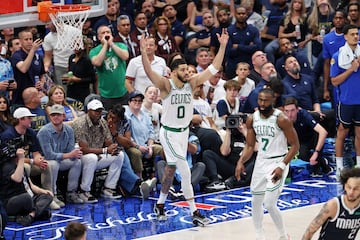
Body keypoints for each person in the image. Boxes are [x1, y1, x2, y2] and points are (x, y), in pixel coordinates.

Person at [140, 28, 228, 226]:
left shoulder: (192, 82)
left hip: (183, 133)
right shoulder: (165, 85)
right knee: (185, 171)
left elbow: (214, 68)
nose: (188, 72)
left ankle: (160, 204)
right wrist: (144, 52)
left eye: (188, 69)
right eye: (183, 70)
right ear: (173, 71)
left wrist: (222, 46)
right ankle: (194, 212)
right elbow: (148, 71)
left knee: (171, 170)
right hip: (169, 134)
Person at [235, 88, 300, 240]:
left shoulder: (282, 119)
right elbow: (250, 146)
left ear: (273, 101)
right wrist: (240, 161)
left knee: (269, 203)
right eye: (260, 100)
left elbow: (295, 145)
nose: (262, 103)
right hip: (261, 161)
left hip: (278, 161)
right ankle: (259, 235)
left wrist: (282, 166)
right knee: (256, 201)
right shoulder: (252, 118)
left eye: (265, 100)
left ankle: (284, 235)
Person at [0, 107, 55, 209]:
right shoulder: (7, 135)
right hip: (16, 166)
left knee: (48, 165)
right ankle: (30, 201)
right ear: (21, 119)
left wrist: (39, 160)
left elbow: (36, 152)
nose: (31, 120)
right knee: (26, 167)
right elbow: (12, 159)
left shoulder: (30, 132)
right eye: (29, 118)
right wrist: (32, 161)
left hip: (28, 162)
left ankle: (51, 195)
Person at [71, 99, 124, 203]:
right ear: (88, 111)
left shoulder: (102, 122)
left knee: (119, 155)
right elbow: (84, 149)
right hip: (80, 156)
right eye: (95, 111)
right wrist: (104, 150)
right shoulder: (80, 123)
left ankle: (108, 188)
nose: (98, 114)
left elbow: (108, 141)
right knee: (91, 157)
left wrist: (113, 148)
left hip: (98, 154)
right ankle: (83, 191)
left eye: (100, 111)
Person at [37, 104, 84, 206]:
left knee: (77, 161)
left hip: (60, 159)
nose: (55, 117)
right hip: (44, 161)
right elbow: (48, 155)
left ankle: (71, 192)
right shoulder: (44, 132)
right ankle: (52, 195)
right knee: (53, 164)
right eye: (53, 115)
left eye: (58, 115)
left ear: (64, 116)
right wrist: (70, 154)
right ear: (50, 117)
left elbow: (70, 149)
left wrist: (76, 153)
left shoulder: (69, 130)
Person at [330, 24, 360, 175]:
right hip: (346, 100)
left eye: (357, 34)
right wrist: (351, 69)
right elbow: (334, 81)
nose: (356, 36)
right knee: (342, 132)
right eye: (353, 34)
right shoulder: (337, 57)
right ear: (346, 37)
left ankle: (359, 166)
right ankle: (339, 166)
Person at [302, 167, 360, 240]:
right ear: (344, 185)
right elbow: (310, 231)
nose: (351, 192)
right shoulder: (333, 205)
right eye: (349, 187)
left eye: (356, 189)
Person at [0, 148, 53, 227]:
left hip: (28, 199)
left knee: (47, 196)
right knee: (26, 197)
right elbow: (17, 179)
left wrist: (44, 191)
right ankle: (36, 213)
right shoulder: (7, 167)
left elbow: (31, 186)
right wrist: (21, 160)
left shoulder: (22, 167)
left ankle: (31, 215)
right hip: (11, 201)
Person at [283, 97, 332, 177]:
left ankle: (322, 163)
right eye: (287, 111)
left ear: (297, 109)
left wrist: (316, 152)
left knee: (318, 170)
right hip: (300, 140)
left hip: (312, 138)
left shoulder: (304, 115)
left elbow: (323, 132)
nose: (290, 115)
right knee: (303, 155)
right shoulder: (282, 118)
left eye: (292, 111)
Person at [125, 90, 163, 178]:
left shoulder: (145, 116)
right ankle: (139, 180)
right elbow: (127, 137)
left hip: (146, 145)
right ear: (129, 102)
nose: (137, 103)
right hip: (132, 146)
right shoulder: (126, 116)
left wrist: (150, 146)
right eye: (135, 100)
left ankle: (160, 178)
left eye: (139, 101)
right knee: (136, 153)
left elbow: (151, 133)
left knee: (160, 149)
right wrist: (138, 147)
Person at [89, 25, 129, 110]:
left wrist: (111, 44)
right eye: (103, 33)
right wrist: (105, 46)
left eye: (108, 32)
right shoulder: (94, 51)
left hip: (123, 92)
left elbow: (125, 56)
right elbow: (97, 62)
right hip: (106, 95)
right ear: (99, 37)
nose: (106, 34)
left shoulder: (120, 45)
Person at [11, 30, 45, 105]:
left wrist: (41, 83)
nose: (29, 42)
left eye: (30, 39)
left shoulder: (38, 56)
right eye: (26, 39)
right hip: (20, 97)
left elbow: (42, 74)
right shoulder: (17, 55)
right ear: (20, 41)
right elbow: (23, 69)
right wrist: (32, 51)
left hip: (35, 97)